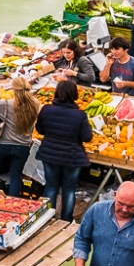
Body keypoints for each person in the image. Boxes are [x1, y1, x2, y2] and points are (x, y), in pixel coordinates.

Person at [35, 78, 93, 220]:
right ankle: (66, 220)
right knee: (69, 189)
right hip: (71, 157)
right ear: (74, 94)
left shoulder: (46, 109)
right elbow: (87, 137)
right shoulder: (80, 115)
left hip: (49, 154)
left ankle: (47, 219)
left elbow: (40, 130)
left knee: (50, 186)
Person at [0, 73, 39, 197]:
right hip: (22, 146)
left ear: (13, 89)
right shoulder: (35, 104)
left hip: (2, 144)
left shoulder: (5, 104)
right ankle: (12, 200)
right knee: (15, 176)